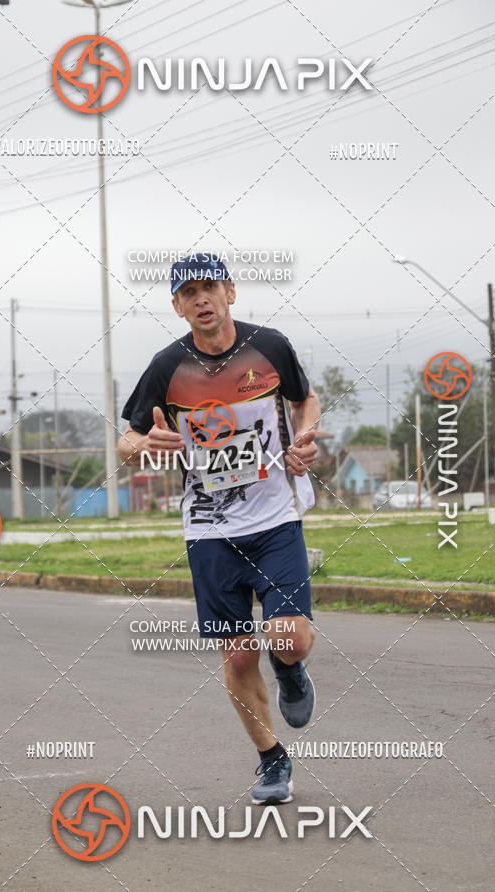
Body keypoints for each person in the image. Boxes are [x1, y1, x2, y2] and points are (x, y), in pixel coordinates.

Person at [119, 252, 320, 804]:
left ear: (230, 292)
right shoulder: (166, 367)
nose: (201, 298)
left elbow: (305, 401)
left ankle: (290, 670)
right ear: (178, 307)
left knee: (290, 638)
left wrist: (305, 436)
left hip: (275, 518)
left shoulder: (269, 346)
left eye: (209, 287)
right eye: (189, 293)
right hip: (210, 529)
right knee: (236, 655)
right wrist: (147, 445)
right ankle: (272, 760)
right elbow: (126, 442)